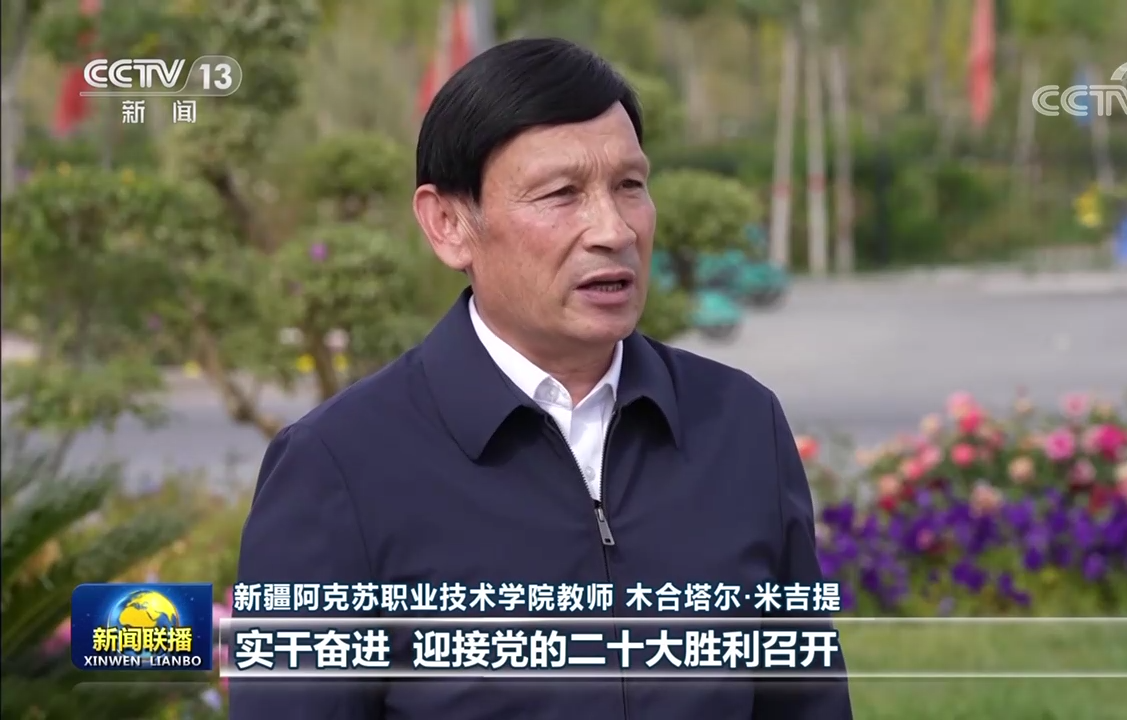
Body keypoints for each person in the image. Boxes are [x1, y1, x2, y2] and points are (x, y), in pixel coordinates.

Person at [230, 37, 852, 720]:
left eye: (630, 186)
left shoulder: (738, 424)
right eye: (561, 194)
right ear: (448, 224)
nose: (613, 230)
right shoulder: (338, 467)